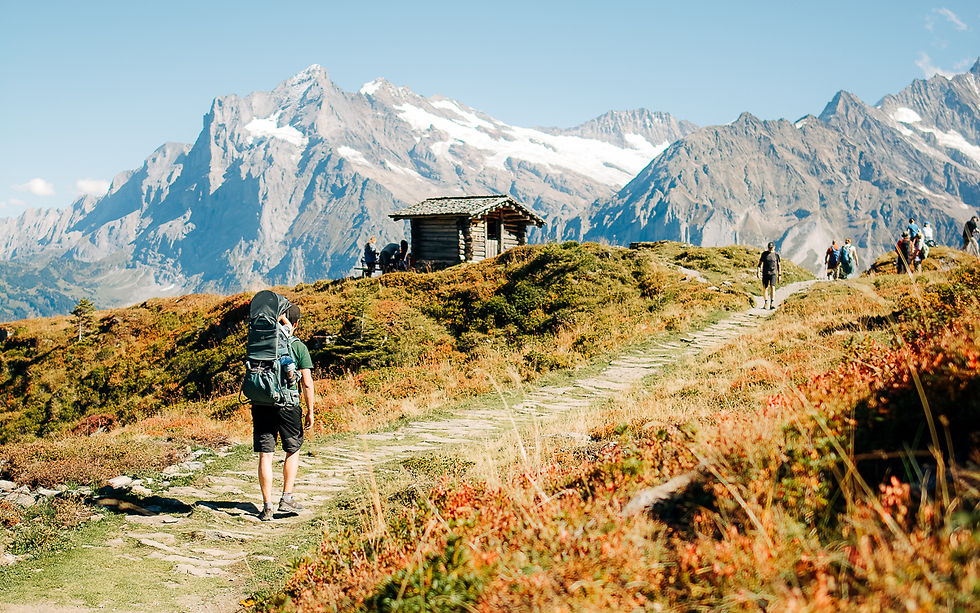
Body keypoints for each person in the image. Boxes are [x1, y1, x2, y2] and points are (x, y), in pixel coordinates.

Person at [253, 304, 315, 521]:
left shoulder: (260, 342)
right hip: (288, 404)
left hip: (261, 404)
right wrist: (310, 411)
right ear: (296, 323)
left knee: (266, 454)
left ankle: (267, 506)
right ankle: (286, 498)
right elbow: (307, 383)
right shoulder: (298, 347)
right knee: (293, 449)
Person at [757, 241, 781, 310]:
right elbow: (760, 264)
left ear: (774, 247)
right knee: (765, 287)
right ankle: (766, 302)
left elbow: (779, 265)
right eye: (769, 248)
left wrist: (779, 275)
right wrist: (758, 272)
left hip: (773, 273)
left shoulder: (776, 255)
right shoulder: (764, 254)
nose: (770, 249)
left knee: (772, 287)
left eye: (771, 248)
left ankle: (772, 303)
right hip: (765, 273)